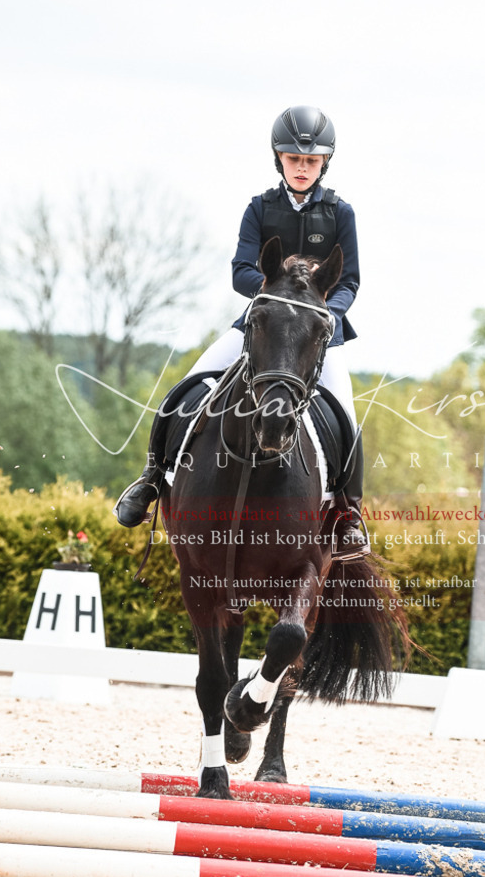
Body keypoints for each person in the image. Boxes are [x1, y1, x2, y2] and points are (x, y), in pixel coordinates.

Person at [114, 104, 368, 559]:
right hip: (262, 326)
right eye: (294, 159)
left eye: (311, 161)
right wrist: (275, 299)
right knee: (187, 385)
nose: (302, 167)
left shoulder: (340, 213)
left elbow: (349, 281)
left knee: (346, 416)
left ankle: (348, 514)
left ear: (324, 162)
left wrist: (324, 315)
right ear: (279, 158)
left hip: (318, 335)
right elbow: (240, 271)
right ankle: (152, 477)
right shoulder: (260, 208)